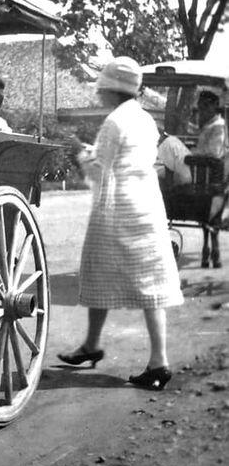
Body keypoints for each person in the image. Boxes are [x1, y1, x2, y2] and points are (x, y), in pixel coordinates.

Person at [58, 56, 183, 391]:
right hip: (147, 203)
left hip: (118, 206)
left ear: (112, 90)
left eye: (102, 89)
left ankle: (140, 358)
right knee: (150, 281)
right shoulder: (144, 119)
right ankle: (122, 351)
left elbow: (102, 169)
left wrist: (80, 153)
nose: (99, 95)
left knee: (99, 270)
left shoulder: (114, 121)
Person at [156, 90, 228, 185]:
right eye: (200, 107)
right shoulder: (209, 125)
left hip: (198, 170)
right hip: (194, 166)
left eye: (205, 106)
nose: (201, 111)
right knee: (157, 172)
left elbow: (214, 153)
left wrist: (192, 152)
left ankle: (170, 186)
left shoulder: (219, 126)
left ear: (214, 107)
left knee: (170, 141)